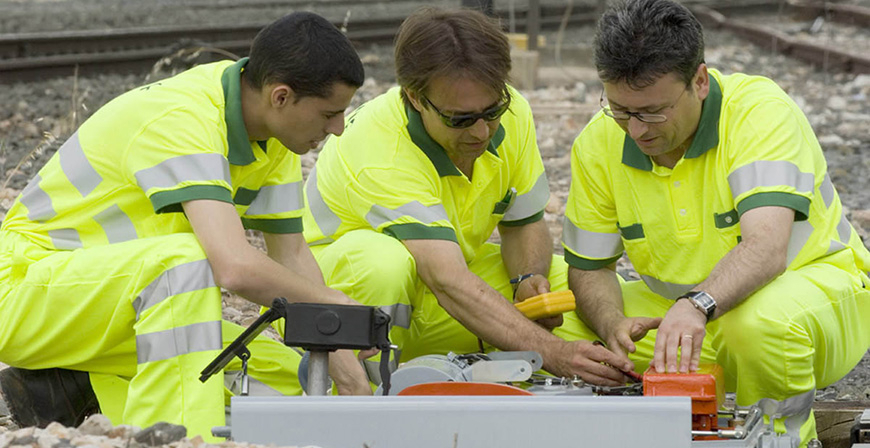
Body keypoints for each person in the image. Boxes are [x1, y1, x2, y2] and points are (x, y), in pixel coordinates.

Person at [0, 11, 373, 441]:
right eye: (330, 114)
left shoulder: (274, 137)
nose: (338, 129)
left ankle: (68, 386)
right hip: (29, 294)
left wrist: (348, 376)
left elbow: (291, 256)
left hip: (114, 309)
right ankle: (180, 439)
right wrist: (331, 301)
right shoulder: (182, 117)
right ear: (281, 97)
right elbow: (233, 267)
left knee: (292, 375)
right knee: (185, 264)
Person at [557, 0, 870, 445]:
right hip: (688, 318)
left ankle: (781, 438)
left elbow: (766, 248)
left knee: (759, 326)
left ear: (699, 81)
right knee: (556, 329)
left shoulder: (759, 113)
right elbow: (589, 270)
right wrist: (610, 325)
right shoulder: (597, 142)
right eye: (621, 110)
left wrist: (695, 306)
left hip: (809, 299)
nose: (636, 130)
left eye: (653, 112)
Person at [301, 6, 634, 387]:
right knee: (383, 263)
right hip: (341, 297)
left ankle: (520, 374)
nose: (481, 132)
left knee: (572, 286)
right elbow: (448, 280)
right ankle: (363, 385)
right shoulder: (380, 149)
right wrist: (554, 353)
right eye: (459, 119)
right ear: (415, 98)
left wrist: (528, 277)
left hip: (441, 286)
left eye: (492, 110)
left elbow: (524, 224)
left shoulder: (514, 114)